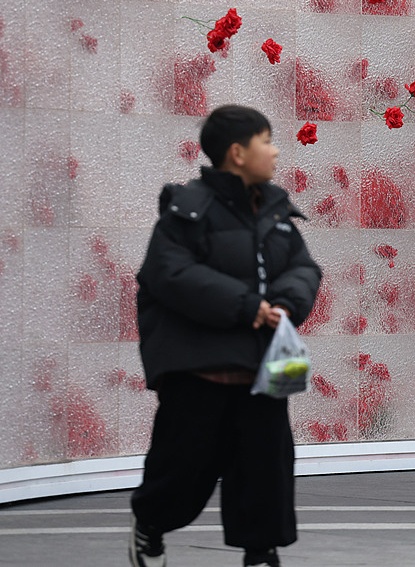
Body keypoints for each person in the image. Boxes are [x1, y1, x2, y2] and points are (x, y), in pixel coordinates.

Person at [129, 105, 322, 567]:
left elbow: (302, 267)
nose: (275, 152)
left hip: (261, 372)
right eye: (266, 141)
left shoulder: (275, 211)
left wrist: (286, 302)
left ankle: (260, 554)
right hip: (200, 372)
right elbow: (169, 273)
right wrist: (244, 305)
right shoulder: (187, 210)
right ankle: (150, 528)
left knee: (265, 475)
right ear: (237, 152)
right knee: (181, 471)